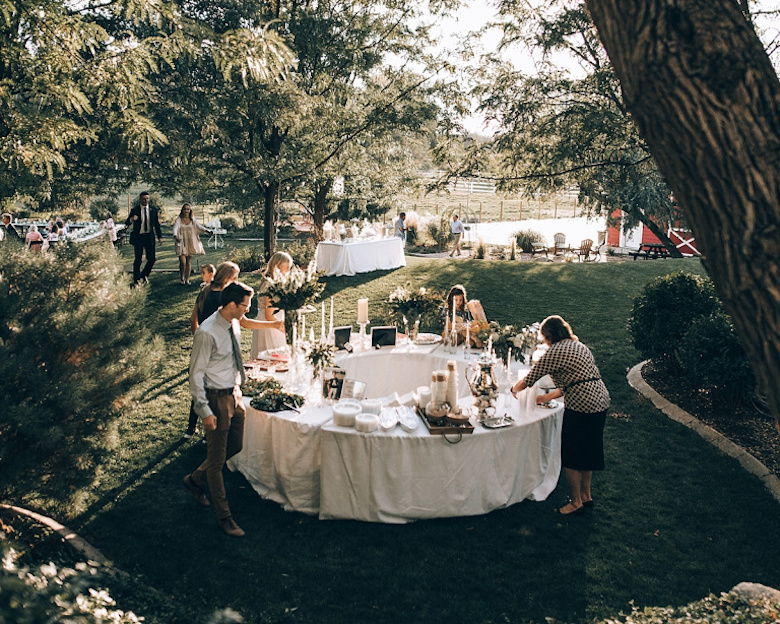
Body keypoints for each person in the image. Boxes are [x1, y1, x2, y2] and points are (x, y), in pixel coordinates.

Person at [510, 315, 610, 516]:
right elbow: (570, 385)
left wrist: (512, 389)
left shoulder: (554, 352)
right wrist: (543, 399)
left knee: (572, 456)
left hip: (581, 404)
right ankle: (586, 495)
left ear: (549, 335)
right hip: (600, 399)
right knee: (588, 451)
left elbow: (530, 377)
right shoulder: (578, 345)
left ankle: (575, 502)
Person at [185, 281, 255, 537]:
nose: (248, 310)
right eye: (245, 305)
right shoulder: (207, 332)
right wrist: (204, 411)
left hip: (234, 394)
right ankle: (225, 517)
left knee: (235, 446)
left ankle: (194, 480)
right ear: (232, 304)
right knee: (216, 461)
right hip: (215, 399)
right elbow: (195, 374)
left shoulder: (232, 322)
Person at [185, 261, 283, 437]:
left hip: (205, 344)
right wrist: (274, 324)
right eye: (235, 278)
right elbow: (244, 322)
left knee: (201, 382)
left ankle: (191, 428)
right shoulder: (225, 299)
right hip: (215, 346)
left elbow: (193, 319)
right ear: (227, 278)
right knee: (211, 388)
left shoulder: (204, 292)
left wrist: (199, 339)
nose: (236, 281)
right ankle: (211, 434)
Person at [250, 251, 291, 359]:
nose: (288, 270)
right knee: (274, 357)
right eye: (286, 267)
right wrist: (282, 328)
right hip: (271, 324)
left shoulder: (269, 281)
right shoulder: (271, 285)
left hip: (270, 321)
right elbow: (269, 314)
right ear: (277, 267)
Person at [125, 191, 162, 285]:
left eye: (147, 199)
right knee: (138, 259)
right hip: (139, 237)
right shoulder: (135, 210)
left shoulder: (153, 210)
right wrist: (131, 219)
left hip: (149, 237)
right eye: (144, 199)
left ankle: (143, 275)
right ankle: (136, 279)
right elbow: (127, 223)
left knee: (152, 259)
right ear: (140, 199)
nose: (146, 201)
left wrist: (159, 237)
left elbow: (156, 225)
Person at [172, 203, 210, 285]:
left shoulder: (192, 219)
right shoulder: (179, 219)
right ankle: (182, 277)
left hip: (190, 242)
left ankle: (187, 279)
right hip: (181, 242)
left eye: (188, 209)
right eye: (185, 209)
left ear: (190, 210)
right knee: (183, 262)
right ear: (182, 210)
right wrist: (176, 236)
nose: (186, 211)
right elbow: (175, 228)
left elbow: (199, 226)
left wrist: (207, 231)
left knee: (188, 261)